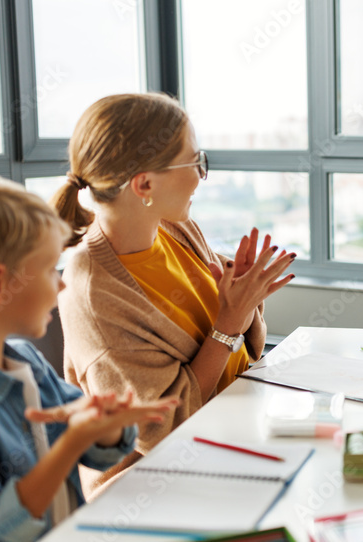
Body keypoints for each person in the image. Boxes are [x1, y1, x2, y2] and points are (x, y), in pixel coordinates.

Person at [0, 169, 178, 541]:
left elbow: (99, 451)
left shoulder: (23, 360)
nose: (62, 283)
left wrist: (107, 427)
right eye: (49, 269)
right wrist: (71, 444)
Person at [51, 93, 294, 495]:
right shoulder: (94, 291)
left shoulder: (174, 228)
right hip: (152, 484)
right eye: (194, 161)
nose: (201, 175)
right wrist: (228, 324)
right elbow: (161, 429)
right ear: (144, 183)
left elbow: (241, 341)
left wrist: (245, 298)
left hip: (236, 428)